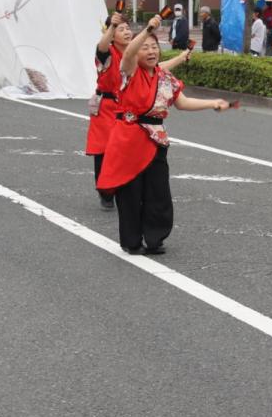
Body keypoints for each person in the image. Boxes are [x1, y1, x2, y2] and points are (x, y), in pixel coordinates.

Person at [96, 15, 228, 254]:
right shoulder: (129, 72)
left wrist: (212, 103)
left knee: (158, 192)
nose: (150, 51)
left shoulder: (165, 78)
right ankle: (132, 240)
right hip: (128, 139)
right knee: (130, 192)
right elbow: (127, 55)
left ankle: (155, 238)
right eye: (144, 47)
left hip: (155, 140)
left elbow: (184, 103)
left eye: (154, 47)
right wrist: (147, 30)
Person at [85, 12, 134, 209]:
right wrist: (112, 26)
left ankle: (124, 187)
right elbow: (101, 47)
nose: (126, 32)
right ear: (112, 34)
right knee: (104, 149)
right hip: (106, 106)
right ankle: (105, 191)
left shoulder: (133, 52)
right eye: (121, 29)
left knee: (126, 149)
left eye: (127, 28)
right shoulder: (107, 52)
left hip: (126, 106)